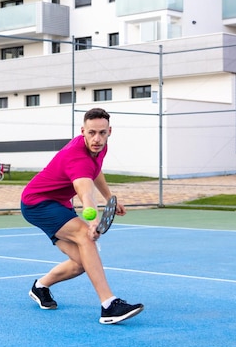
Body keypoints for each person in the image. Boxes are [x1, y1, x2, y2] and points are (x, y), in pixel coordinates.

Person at [21, 108, 144, 324]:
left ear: (109, 132)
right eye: (91, 133)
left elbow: (95, 172)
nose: (97, 139)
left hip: (58, 203)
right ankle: (108, 304)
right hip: (37, 203)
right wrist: (93, 221)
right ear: (82, 131)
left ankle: (40, 287)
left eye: (102, 133)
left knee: (81, 262)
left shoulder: (99, 148)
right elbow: (85, 191)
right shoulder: (77, 157)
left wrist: (110, 199)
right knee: (84, 236)